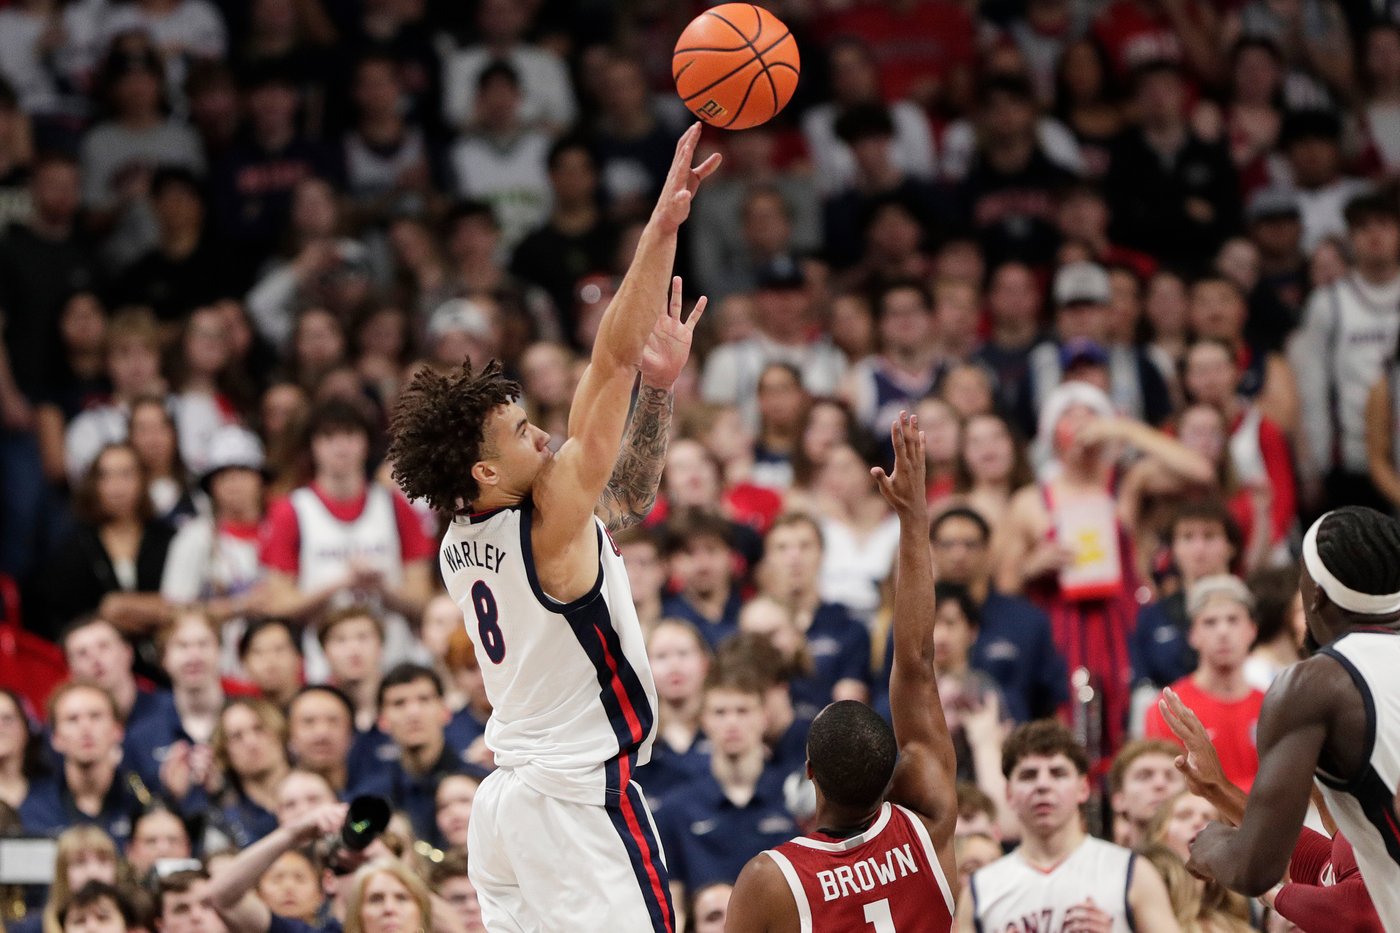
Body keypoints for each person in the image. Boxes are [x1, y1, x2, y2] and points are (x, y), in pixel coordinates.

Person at [384, 125, 719, 931]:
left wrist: (660, 392)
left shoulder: (461, 539)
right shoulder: (548, 522)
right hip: (575, 803)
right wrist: (663, 228)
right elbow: (607, 359)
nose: (544, 436)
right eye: (521, 434)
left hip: (506, 812)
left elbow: (626, 502)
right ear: (486, 473)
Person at [725, 412, 958, 932]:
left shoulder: (772, 880)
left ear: (810, 773)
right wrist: (915, 519)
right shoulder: (929, 822)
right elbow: (917, 661)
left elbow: (916, 663)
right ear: (894, 774)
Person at [1182, 507, 1400, 929]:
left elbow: (1256, 867)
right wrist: (1219, 790)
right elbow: (1341, 864)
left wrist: (1212, 848)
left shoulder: (1311, 687)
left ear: (1314, 594)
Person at [1157, 688, 1384, 932]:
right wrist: (1215, 788)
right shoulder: (1350, 835)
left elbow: (1358, 912)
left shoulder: (1379, 814)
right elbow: (1303, 856)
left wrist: (1269, 890)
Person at [956, 720, 1179, 932]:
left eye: (1058, 773)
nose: (1043, 785)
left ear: (1083, 788)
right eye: (1028, 775)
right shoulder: (980, 890)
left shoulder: (1131, 871)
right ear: (1009, 793)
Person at [1143, 576, 1266, 790]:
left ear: (1252, 630)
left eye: (1233, 620)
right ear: (1193, 635)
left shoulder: (1272, 706)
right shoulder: (1168, 710)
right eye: (1210, 622)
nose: (1223, 632)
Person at [19, 683, 147, 847]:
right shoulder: (35, 809)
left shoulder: (140, 801)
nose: (85, 728)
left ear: (118, 730)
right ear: (55, 738)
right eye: (72, 719)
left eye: (95, 716)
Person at [1107, 739, 1185, 849]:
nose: (1160, 784)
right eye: (1144, 776)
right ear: (1119, 799)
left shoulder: (1209, 863)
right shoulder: (1100, 863)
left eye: (1170, 777)